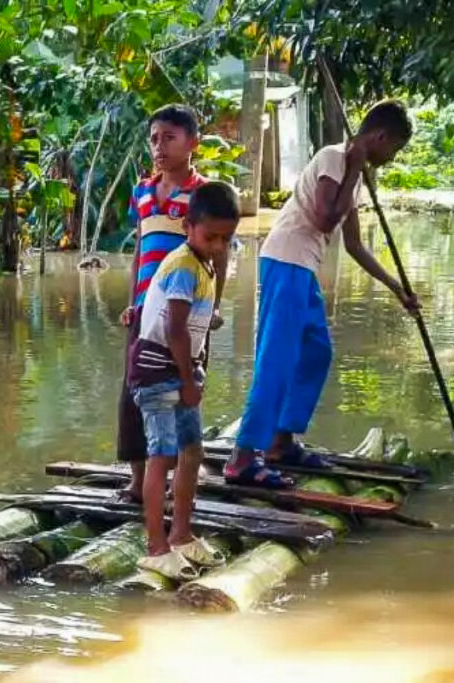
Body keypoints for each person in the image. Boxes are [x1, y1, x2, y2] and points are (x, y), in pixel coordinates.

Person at [224, 100, 419, 488]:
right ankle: (242, 458)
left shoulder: (353, 174)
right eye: (392, 149)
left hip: (303, 269)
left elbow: (354, 245)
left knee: (316, 352)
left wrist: (397, 287)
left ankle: (280, 443)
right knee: (276, 361)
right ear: (378, 137)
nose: (390, 158)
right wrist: (353, 168)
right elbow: (324, 217)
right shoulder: (334, 158)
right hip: (286, 261)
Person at [128, 181, 239, 580]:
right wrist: (189, 380)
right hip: (159, 372)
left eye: (227, 239)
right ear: (188, 227)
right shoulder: (180, 266)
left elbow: (192, 326)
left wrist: (194, 374)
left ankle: (182, 534)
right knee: (162, 455)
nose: (219, 246)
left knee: (192, 452)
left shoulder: (204, 264)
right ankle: (156, 547)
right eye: (211, 237)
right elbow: (175, 329)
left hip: (184, 371)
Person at [117, 104, 227, 503]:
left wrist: (214, 306)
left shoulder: (204, 194)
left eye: (169, 138)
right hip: (146, 312)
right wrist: (134, 301)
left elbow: (219, 253)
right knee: (135, 392)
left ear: (192, 143)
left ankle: (180, 481)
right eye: (154, 139)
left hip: (190, 310)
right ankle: (137, 480)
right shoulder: (142, 191)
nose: (159, 147)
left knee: (184, 390)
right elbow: (141, 250)